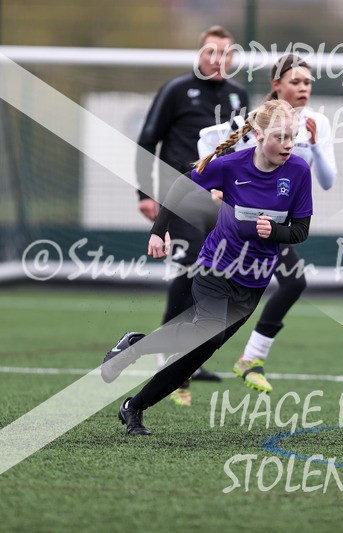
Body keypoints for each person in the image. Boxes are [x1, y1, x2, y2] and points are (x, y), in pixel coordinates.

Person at [103, 99, 312, 435]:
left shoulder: (299, 172)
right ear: (259, 135)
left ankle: (133, 405)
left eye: (292, 137)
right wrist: (158, 230)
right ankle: (133, 348)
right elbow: (180, 185)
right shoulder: (230, 166)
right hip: (216, 266)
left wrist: (276, 232)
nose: (288, 145)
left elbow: (300, 230)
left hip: (254, 282)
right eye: (280, 137)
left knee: (198, 352)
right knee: (208, 331)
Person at [198, 55, 337, 394]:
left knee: (290, 284)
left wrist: (315, 147)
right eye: (295, 82)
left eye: (307, 82)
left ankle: (248, 358)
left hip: (277, 226)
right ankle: (183, 356)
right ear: (277, 85)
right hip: (241, 225)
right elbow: (208, 141)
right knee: (207, 285)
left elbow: (328, 181)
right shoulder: (257, 121)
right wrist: (215, 189)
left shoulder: (317, 123)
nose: (303, 88)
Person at [135, 25, 249, 399]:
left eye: (226, 53)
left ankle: (190, 354)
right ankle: (167, 349)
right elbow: (147, 140)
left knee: (212, 271)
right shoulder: (176, 90)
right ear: (200, 55)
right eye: (211, 52)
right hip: (180, 196)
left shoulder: (237, 95)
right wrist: (144, 193)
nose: (219, 59)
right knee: (190, 267)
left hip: (219, 202)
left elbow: (241, 150)